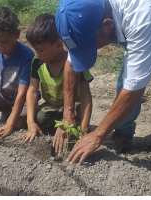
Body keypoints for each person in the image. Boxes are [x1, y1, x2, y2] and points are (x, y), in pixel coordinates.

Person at [55, 0, 151, 191]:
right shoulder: (80, 11)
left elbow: (134, 89)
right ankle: (122, 134)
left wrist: (98, 134)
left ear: (107, 25)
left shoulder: (143, 18)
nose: (94, 49)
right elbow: (71, 63)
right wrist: (68, 113)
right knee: (125, 80)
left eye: (93, 45)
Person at [23, 14, 93, 153]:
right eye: (35, 50)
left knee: (77, 120)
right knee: (39, 117)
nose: (37, 54)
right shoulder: (38, 63)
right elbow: (32, 91)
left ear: (58, 44)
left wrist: (83, 130)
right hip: (52, 108)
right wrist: (30, 123)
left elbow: (86, 97)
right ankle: (58, 129)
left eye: (41, 50)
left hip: (73, 109)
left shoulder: (74, 60)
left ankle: (78, 129)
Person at [0, 6, 34, 138]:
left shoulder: (26, 55)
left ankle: (9, 115)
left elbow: (22, 93)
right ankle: (6, 112)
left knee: (20, 122)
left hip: (20, 100)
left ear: (16, 35)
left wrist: (10, 123)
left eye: (4, 42)